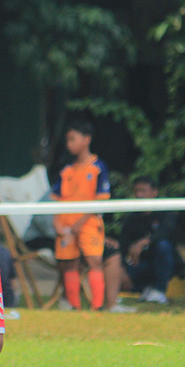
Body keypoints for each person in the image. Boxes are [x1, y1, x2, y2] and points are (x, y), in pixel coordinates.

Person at [52, 120, 110, 310]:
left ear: (86, 140)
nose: (69, 144)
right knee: (70, 263)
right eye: (67, 140)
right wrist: (57, 223)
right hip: (66, 223)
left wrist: (80, 222)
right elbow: (56, 200)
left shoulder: (98, 167)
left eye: (72, 139)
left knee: (94, 260)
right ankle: (74, 306)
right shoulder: (66, 170)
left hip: (88, 222)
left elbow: (101, 199)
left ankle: (97, 306)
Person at [117, 176, 178, 305]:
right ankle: (146, 290)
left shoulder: (165, 212)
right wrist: (122, 271)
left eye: (143, 191)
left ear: (154, 192)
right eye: (137, 191)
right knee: (117, 274)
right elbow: (122, 246)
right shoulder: (131, 218)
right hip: (141, 265)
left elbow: (166, 232)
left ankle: (159, 291)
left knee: (163, 245)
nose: (139, 195)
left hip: (165, 264)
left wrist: (143, 242)